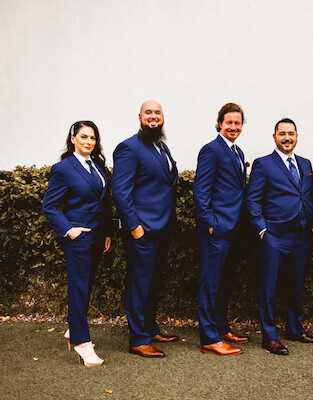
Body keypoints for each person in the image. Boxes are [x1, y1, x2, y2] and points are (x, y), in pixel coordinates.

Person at [245, 118, 313, 355]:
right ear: (275, 137)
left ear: (296, 136)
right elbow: (252, 199)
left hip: (301, 236)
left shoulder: (305, 164)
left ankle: (295, 329)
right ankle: (269, 335)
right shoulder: (263, 164)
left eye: (291, 133)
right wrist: (262, 230)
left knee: (295, 285)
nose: (287, 138)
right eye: (282, 134)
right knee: (269, 287)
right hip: (275, 236)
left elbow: (310, 196)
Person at [43, 121, 113, 366]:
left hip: (97, 237)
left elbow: (104, 203)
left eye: (93, 138)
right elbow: (49, 206)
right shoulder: (63, 168)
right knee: (79, 288)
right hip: (79, 238)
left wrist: (106, 233)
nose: (89, 142)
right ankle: (83, 344)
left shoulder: (97, 166)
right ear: (73, 138)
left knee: (87, 285)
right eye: (84, 137)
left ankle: (74, 328)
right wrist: (69, 230)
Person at [112, 100, 179, 358]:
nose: (153, 117)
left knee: (152, 283)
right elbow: (121, 191)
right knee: (139, 285)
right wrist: (135, 227)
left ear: (163, 117)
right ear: (140, 116)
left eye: (158, 113)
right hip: (143, 231)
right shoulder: (129, 148)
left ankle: (150, 329)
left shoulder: (160, 146)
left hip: (161, 229)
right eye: (148, 113)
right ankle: (138, 339)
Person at [193, 103, 249, 356]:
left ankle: (221, 327)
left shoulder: (237, 152)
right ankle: (209, 338)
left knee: (224, 283)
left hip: (235, 231)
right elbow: (201, 190)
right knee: (210, 284)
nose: (233, 127)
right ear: (220, 124)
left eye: (237, 123)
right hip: (217, 231)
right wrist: (210, 225)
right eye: (229, 123)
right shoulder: (211, 150)